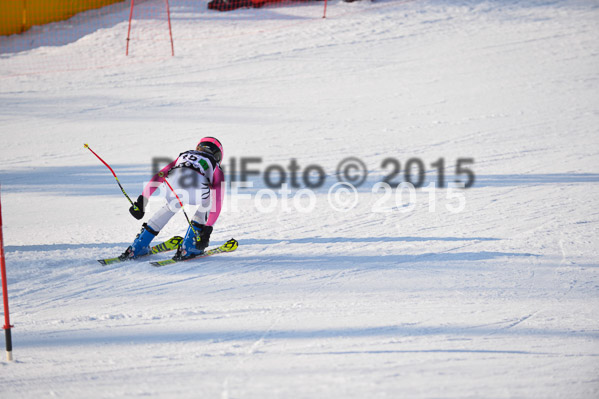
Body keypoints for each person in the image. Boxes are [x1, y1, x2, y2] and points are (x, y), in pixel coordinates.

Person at [120, 137, 225, 261]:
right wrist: (207, 230)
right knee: (208, 202)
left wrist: (142, 201)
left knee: (171, 206)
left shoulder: (185, 155)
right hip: (198, 187)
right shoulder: (215, 166)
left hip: (172, 183)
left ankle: (138, 246)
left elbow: (160, 175)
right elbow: (218, 200)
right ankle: (189, 246)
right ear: (217, 155)